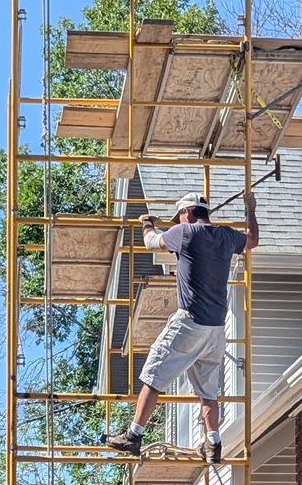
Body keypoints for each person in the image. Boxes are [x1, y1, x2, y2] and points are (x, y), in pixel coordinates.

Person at [104, 190, 254, 465]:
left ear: (187, 212)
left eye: (179, 216)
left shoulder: (185, 233)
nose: (177, 221)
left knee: (154, 372)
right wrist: (250, 208)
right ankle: (213, 442)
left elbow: (151, 242)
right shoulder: (227, 236)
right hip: (216, 328)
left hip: (190, 322)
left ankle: (134, 435)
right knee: (208, 391)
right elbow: (253, 240)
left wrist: (147, 223)